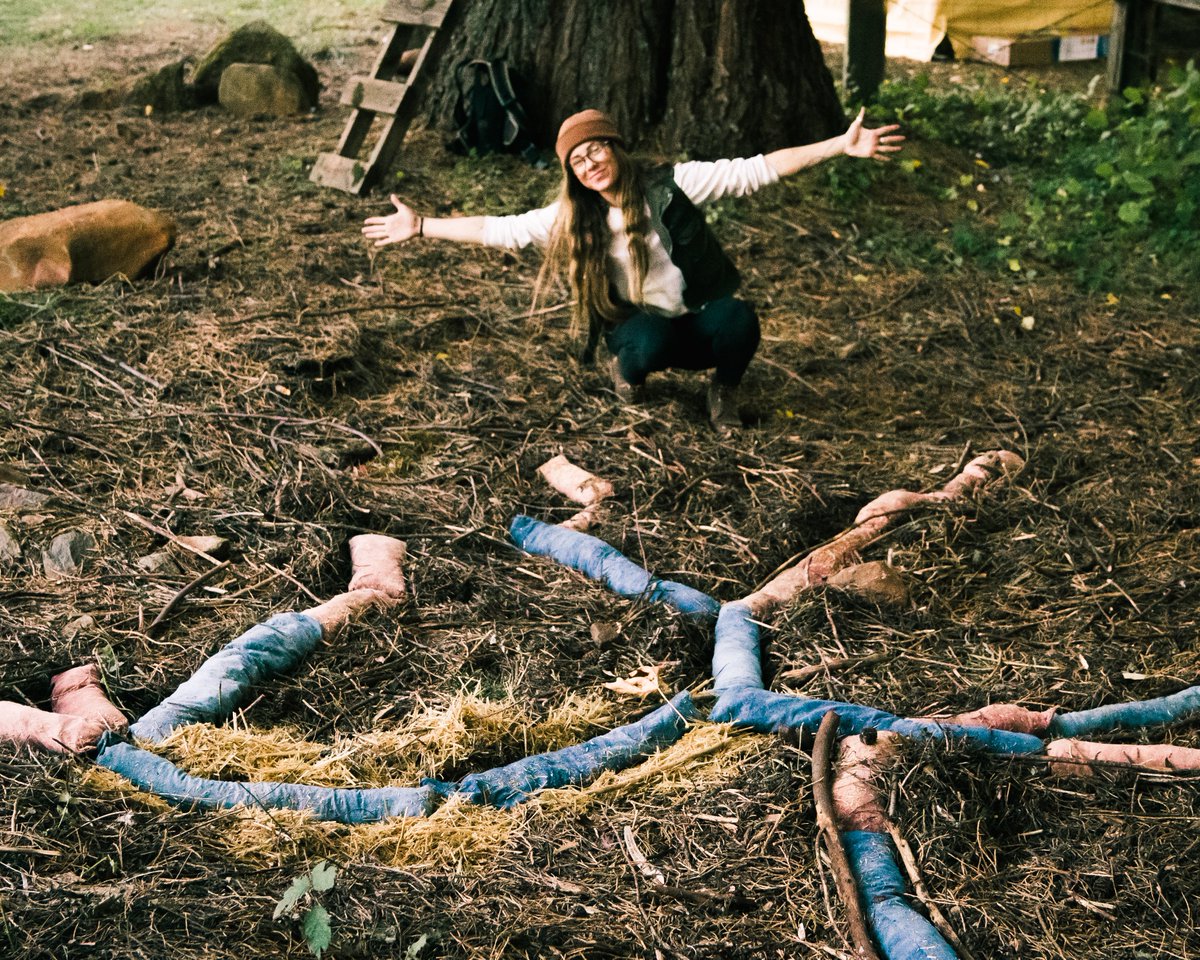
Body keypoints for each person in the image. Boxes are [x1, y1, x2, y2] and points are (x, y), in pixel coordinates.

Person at [363, 107, 903, 432]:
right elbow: (498, 229)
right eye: (578, 159)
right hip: (640, 325)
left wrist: (839, 145)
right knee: (647, 344)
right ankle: (626, 373)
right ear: (572, 173)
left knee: (740, 320)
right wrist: (423, 226)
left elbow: (755, 171)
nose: (590, 162)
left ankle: (723, 390)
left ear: (617, 150)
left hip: (693, 317)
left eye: (597, 150)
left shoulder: (673, 184)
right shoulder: (571, 217)